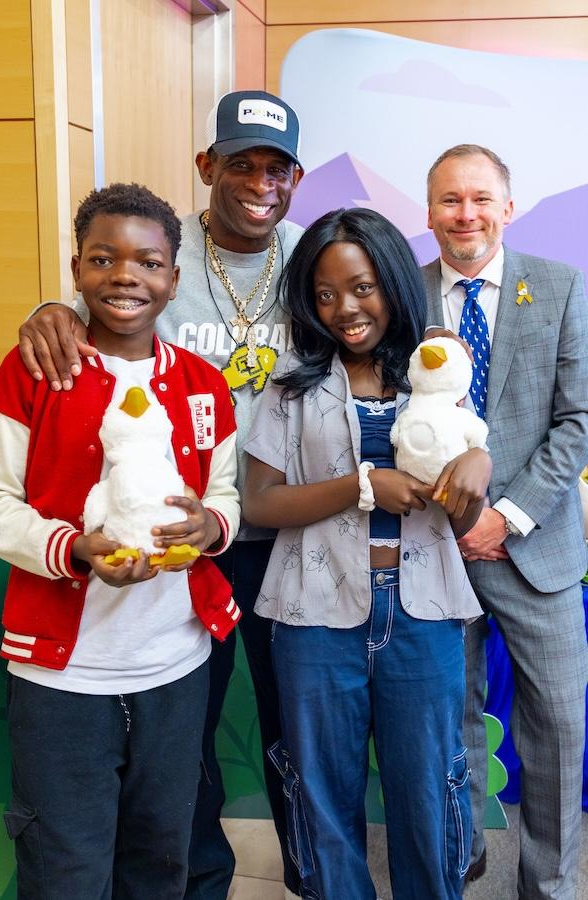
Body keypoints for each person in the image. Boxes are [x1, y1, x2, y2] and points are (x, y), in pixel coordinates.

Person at [15, 90, 304, 899]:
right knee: (189, 741)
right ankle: (202, 881)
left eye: (275, 167)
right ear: (207, 165)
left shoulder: (312, 257)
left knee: (289, 728)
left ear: (296, 178)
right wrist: (49, 306)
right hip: (171, 547)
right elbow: (106, 294)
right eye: (239, 162)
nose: (258, 181)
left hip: (282, 531)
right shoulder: (158, 249)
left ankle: (307, 874)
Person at [0, 182, 241, 898]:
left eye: (148, 263)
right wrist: (73, 548)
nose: (126, 275)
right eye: (103, 258)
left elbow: (224, 495)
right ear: (76, 271)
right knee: (65, 864)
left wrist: (211, 525)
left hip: (174, 666)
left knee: (161, 855)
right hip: (62, 680)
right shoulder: (35, 371)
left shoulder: (201, 385)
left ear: (174, 280)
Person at [242, 207, 493, 900]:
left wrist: (476, 461)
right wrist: (362, 487)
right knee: (320, 792)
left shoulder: (436, 374)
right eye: (325, 295)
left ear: (391, 282)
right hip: (313, 616)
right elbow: (259, 502)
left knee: (429, 788)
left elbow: (460, 507)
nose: (345, 309)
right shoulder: (292, 380)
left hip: (424, 614)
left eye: (361, 287)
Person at [423, 144, 588, 900]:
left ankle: (548, 886)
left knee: (555, 728)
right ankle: (457, 862)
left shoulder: (559, 287)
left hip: (537, 550)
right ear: (430, 213)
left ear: (508, 207)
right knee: (443, 728)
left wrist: (508, 517)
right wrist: (454, 517)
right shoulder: (402, 294)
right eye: (451, 200)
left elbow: (577, 421)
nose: (467, 214)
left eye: (481, 199)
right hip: (433, 548)